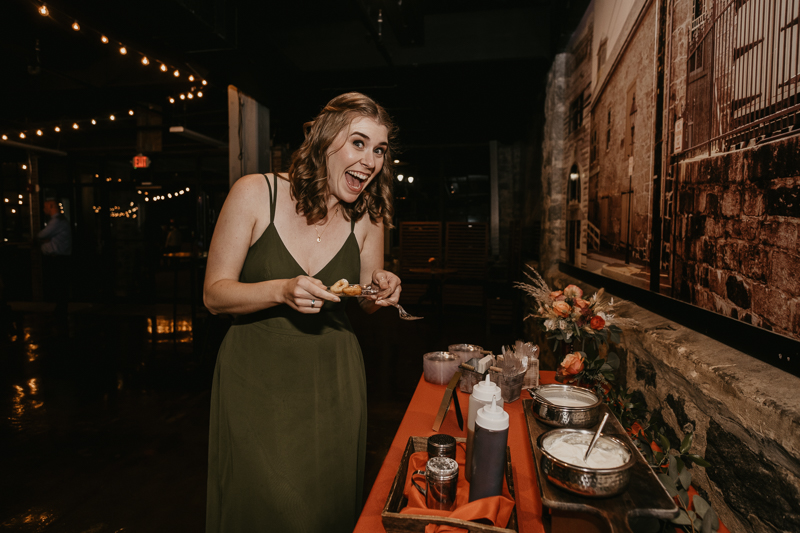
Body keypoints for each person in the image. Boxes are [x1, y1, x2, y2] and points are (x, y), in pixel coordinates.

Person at [203, 92, 402, 533]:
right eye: (358, 143)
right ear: (325, 141)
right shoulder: (256, 193)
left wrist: (382, 288)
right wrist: (281, 290)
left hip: (332, 381)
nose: (370, 160)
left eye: (379, 150)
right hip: (255, 379)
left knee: (319, 512)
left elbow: (366, 299)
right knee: (260, 507)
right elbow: (214, 295)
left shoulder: (368, 219)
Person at [37, 197, 72, 316]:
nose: (43, 209)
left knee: (59, 285)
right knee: (60, 284)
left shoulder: (57, 221)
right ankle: (60, 309)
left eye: (45, 206)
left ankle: (60, 310)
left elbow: (42, 235)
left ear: (52, 206)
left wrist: (43, 239)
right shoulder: (59, 221)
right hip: (59, 257)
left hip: (59, 258)